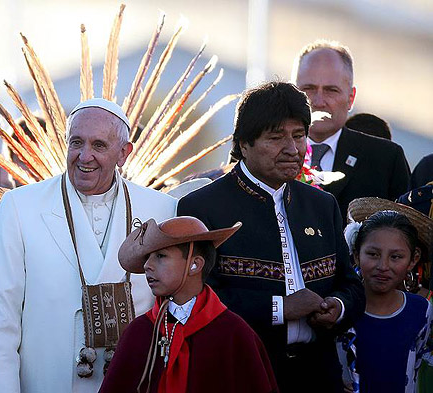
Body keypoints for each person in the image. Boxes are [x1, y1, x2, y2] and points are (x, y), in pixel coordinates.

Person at [0, 98, 177, 393]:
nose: (84, 156)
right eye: (76, 142)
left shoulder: (162, 209)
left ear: (124, 153)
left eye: (99, 146)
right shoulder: (20, 207)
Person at [177, 81, 365, 392]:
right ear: (244, 144)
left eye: (299, 136)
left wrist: (337, 306)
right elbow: (194, 297)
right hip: (239, 373)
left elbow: (351, 285)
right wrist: (280, 307)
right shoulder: (202, 208)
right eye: (276, 138)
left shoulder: (321, 204)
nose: (292, 150)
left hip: (317, 375)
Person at [100, 217, 278, 393]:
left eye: (160, 256)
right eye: (147, 257)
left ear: (195, 264)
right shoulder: (139, 332)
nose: (147, 265)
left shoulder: (233, 333)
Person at [292, 40, 410, 221]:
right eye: (308, 89)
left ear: (351, 98)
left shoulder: (385, 159)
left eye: (331, 90)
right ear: (293, 92)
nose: (318, 100)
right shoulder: (263, 150)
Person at [340, 200, 433, 393]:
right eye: (373, 254)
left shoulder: (422, 310)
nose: (383, 266)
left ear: (413, 259)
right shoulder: (340, 308)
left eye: (396, 257)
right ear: (357, 254)